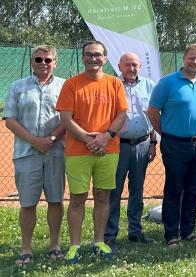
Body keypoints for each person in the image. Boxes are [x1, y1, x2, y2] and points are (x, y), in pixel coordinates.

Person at [57, 41, 128, 263]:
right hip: (78, 151)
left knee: (102, 196)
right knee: (77, 199)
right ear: (83, 58)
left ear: (105, 59)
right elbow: (65, 118)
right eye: (89, 55)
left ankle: (99, 241)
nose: (93, 58)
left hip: (108, 149)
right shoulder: (71, 84)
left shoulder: (115, 83)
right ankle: (74, 245)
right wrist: (89, 139)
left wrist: (106, 137)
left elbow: (121, 115)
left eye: (97, 55)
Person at [4, 45, 66, 265]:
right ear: (32, 62)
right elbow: (10, 119)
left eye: (48, 60)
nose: (43, 64)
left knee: (56, 200)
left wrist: (49, 140)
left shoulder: (64, 86)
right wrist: (35, 141)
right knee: (27, 203)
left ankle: (55, 245)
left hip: (56, 152)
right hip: (26, 153)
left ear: (55, 62)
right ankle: (26, 248)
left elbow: (69, 118)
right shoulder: (17, 87)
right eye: (38, 59)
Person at [147, 44, 196, 248]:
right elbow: (152, 112)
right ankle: (171, 235)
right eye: (191, 58)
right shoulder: (168, 82)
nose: (195, 62)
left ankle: (188, 231)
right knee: (174, 190)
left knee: (194, 190)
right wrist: (165, 133)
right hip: (175, 144)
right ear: (184, 59)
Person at [105, 53, 158, 247]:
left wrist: (153, 143)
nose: (131, 68)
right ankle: (110, 234)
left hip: (143, 144)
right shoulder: (111, 84)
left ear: (140, 66)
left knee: (137, 189)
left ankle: (135, 231)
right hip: (118, 145)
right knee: (114, 190)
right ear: (119, 66)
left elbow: (153, 115)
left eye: (135, 65)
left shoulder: (149, 85)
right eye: (127, 65)